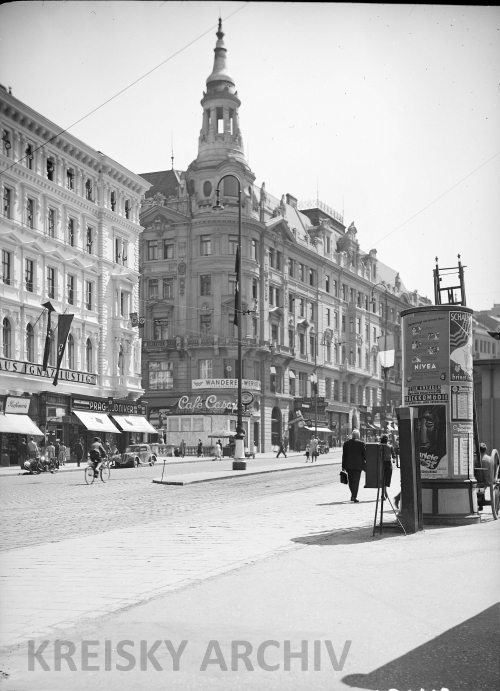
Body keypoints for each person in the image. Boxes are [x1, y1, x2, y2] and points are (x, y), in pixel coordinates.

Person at [342, 429, 366, 503]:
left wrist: (343, 466)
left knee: (350, 481)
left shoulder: (346, 443)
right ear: (358, 436)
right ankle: (354, 496)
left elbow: (344, 456)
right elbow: (365, 455)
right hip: (358, 466)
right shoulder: (361, 443)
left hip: (349, 465)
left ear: (352, 436)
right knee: (356, 481)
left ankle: (353, 494)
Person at [380, 434, 395, 499]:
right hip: (388, 464)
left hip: (380, 464)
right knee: (386, 479)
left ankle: (384, 492)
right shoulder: (390, 447)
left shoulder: (379, 447)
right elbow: (394, 456)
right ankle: (384, 493)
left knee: (382, 479)